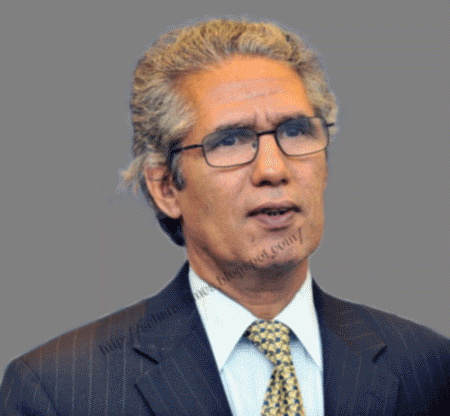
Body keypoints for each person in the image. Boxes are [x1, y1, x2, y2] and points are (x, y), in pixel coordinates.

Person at [1, 18, 449, 416]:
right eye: (230, 141)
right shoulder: (62, 390)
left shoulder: (427, 367)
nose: (273, 169)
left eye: (295, 131)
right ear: (165, 187)